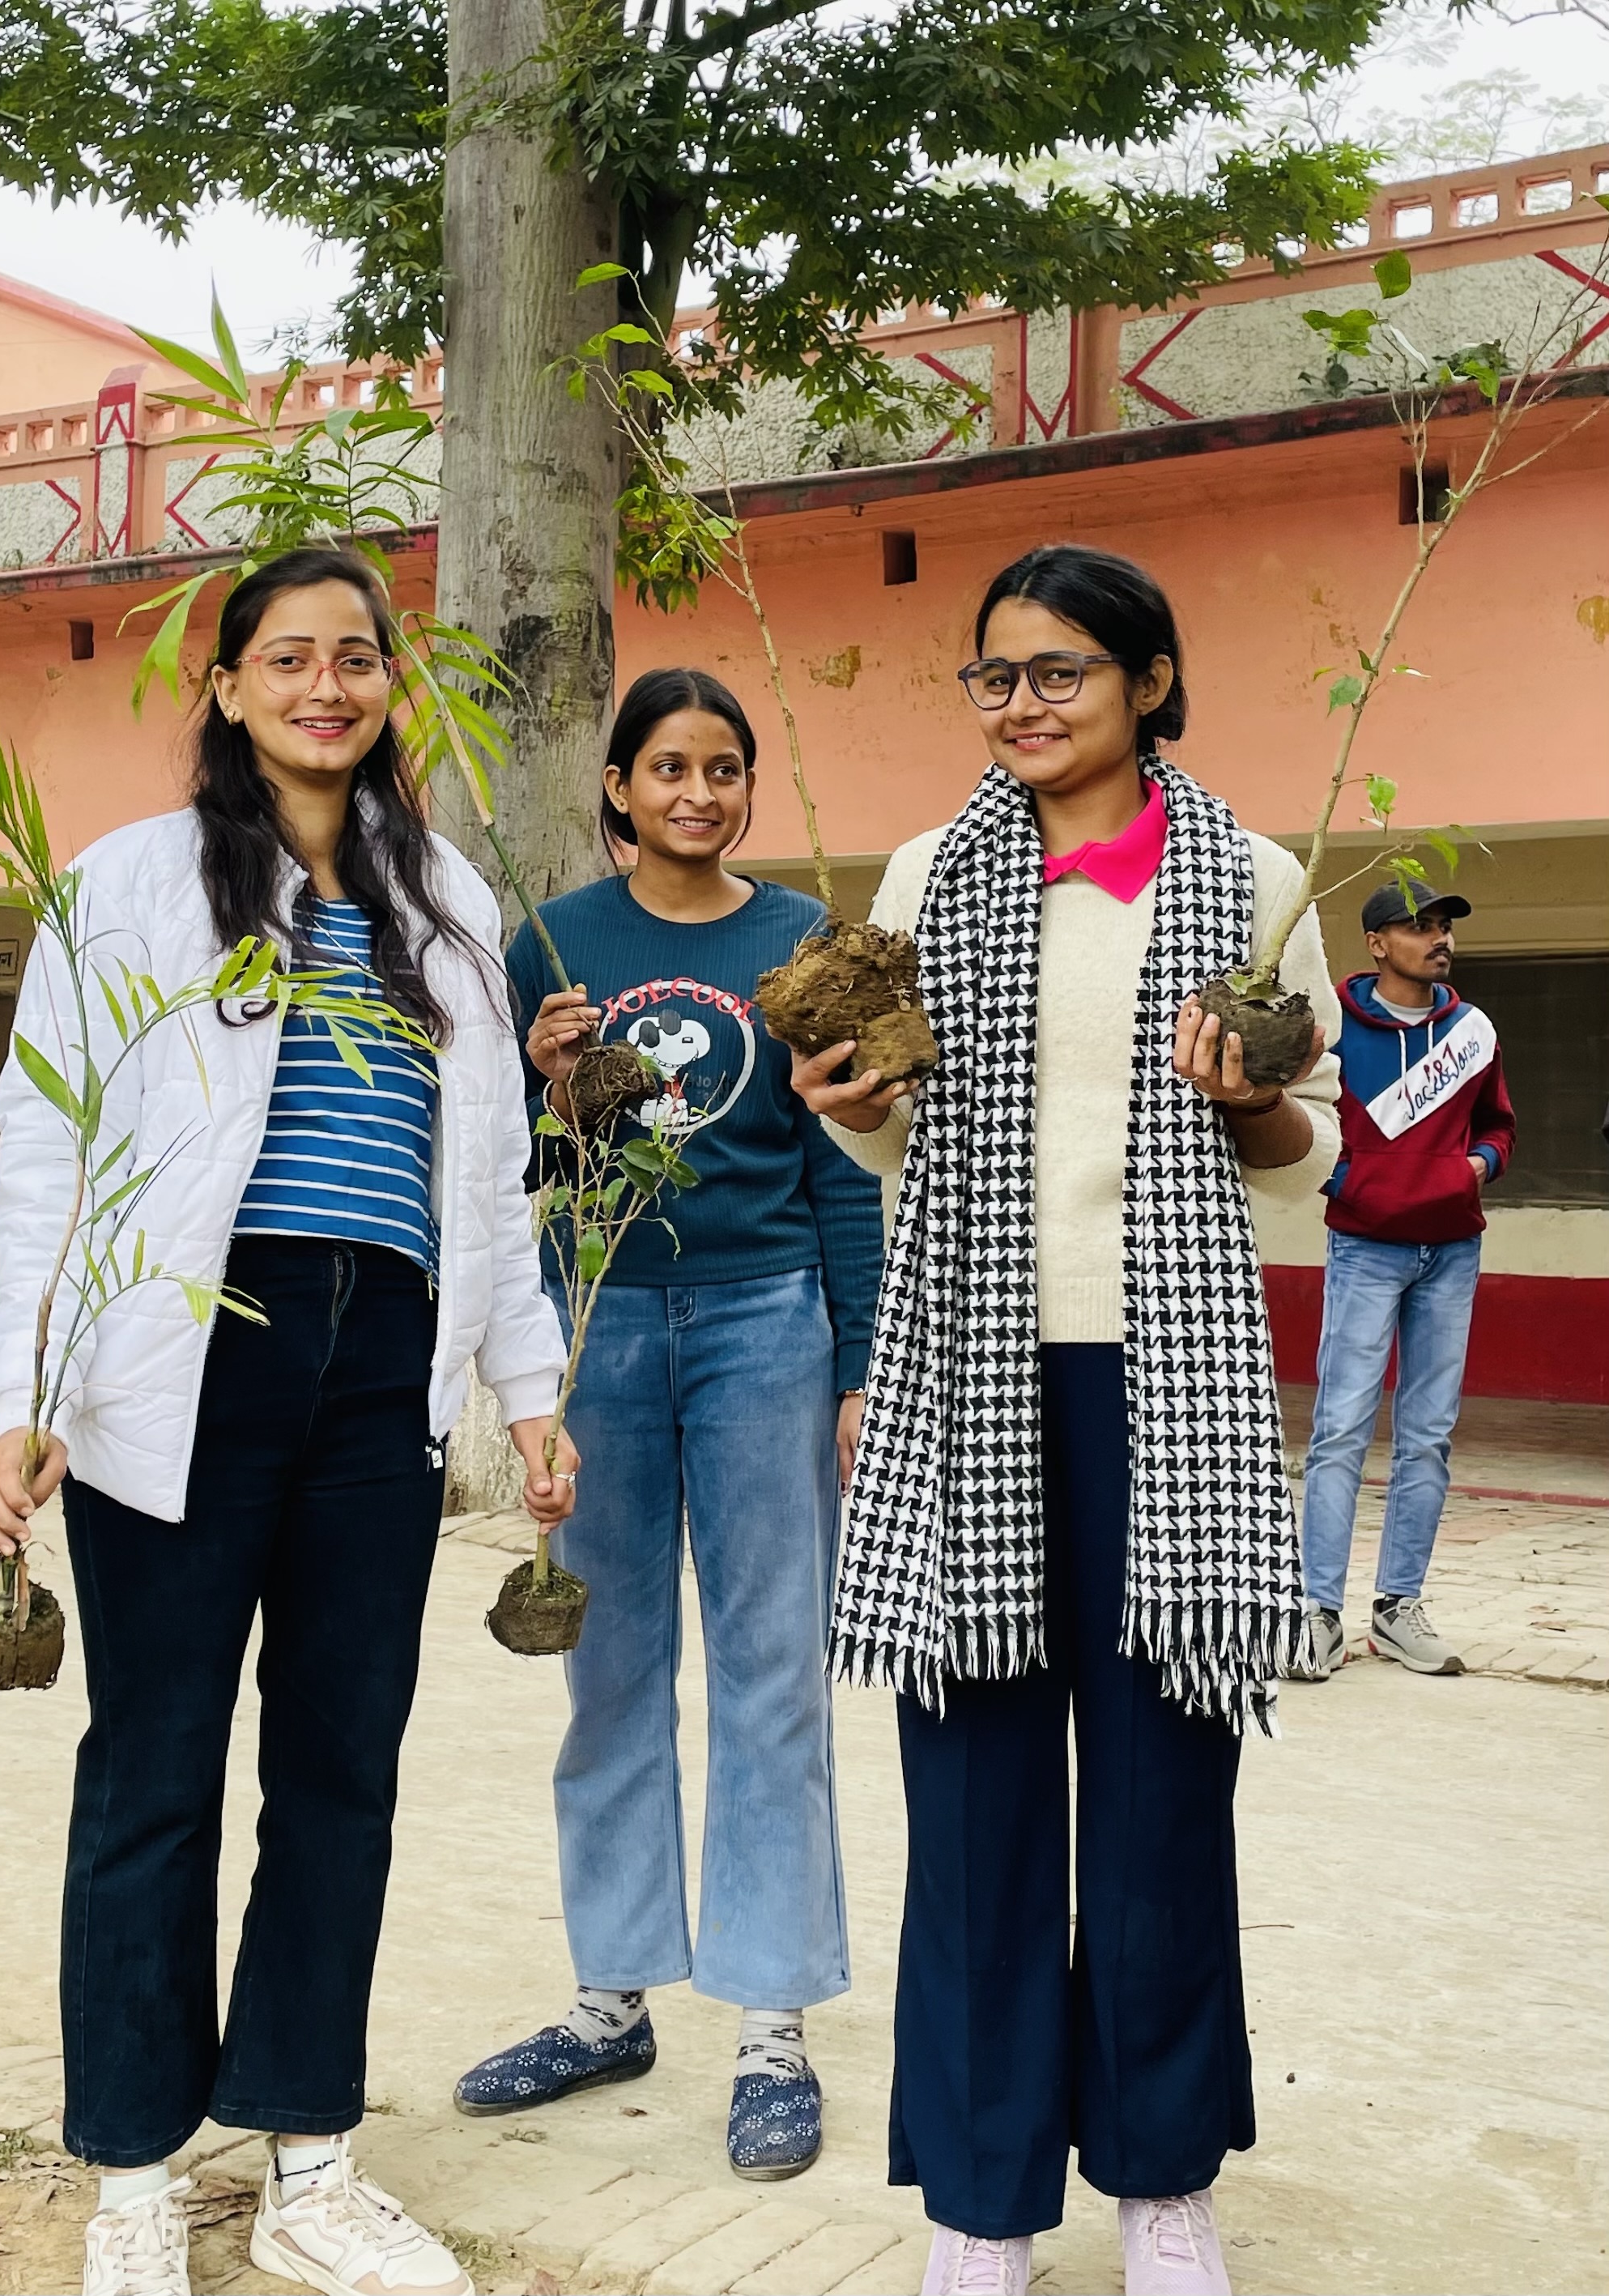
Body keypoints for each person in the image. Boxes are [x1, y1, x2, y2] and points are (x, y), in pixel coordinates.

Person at [0, 546, 576, 2296]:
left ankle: (311, 2154)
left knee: (340, 1771)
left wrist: (527, 1396)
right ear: (227, 686)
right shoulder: (130, 884)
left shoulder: (443, 895)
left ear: (391, 685)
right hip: (185, 1359)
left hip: (384, 1361)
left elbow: (492, 1183)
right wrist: (23, 1394)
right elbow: (48, 1143)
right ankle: (141, 2171)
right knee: (149, 1773)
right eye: (289, 657)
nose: (330, 682)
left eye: (359, 656)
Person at [788, 544, 1342, 2296]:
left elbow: (1306, 1162)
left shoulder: (1250, 878)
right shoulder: (925, 875)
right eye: (996, 675)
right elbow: (889, 1147)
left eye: (1063, 672)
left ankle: (1164, 2180)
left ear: (1152, 680)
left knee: (1168, 1798)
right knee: (975, 1802)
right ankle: (983, 2201)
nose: (1023, 703)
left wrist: (1251, 1104)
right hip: (973, 1371)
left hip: (1166, 1385)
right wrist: (850, 1099)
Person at [453, 667, 884, 2180]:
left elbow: (840, 1158)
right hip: (602, 1331)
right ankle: (606, 2001)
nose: (697, 793)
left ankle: (772, 2027)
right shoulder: (548, 945)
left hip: (768, 1322)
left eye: (723, 769)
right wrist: (545, 1076)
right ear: (619, 789)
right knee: (610, 1669)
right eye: (667, 769)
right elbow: (507, 1167)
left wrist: (855, 1362)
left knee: (772, 1668)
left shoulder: (797, 945)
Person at [1292, 883, 1515, 1680]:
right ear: (1377, 944)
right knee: (1340, 1431)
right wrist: (1350, 1181)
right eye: (1418, 927)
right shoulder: (1334, 1026)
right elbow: (1303, 1118)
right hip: (1365, 1246)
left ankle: (1398, 1609)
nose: (1437, 938)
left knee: (1427, 1435)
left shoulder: (1473, 1030)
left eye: (1444, 926)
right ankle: (1318, 1612)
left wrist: (1474, 1167)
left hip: (1452, 1248)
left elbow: (1498, 1123)